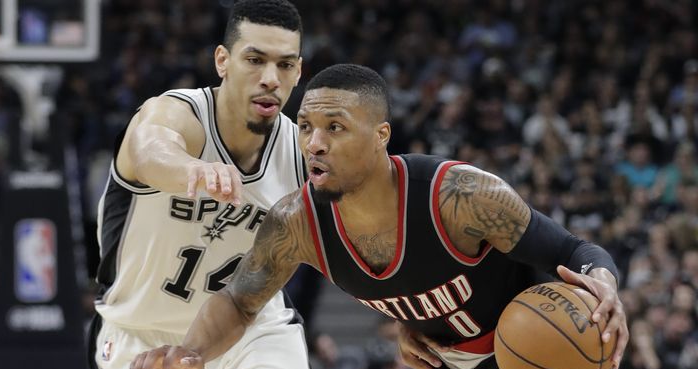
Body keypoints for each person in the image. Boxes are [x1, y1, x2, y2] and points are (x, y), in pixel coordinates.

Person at [130, 64, 628, 369]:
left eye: (335, 127)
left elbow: (574, 252)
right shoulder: (297, 222)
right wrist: (189, 353)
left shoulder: (459, 196)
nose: (314, 143)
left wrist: (603, 285)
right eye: (304, 127)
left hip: (542, 349)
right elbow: (239, 302)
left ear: (381, 135)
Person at [89, 1, 310, 368]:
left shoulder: (303, 151)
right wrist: (191, 168)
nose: (271, 77)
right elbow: (150, 150)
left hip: (252, 331)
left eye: (285, 64)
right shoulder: (173, 113)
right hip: (138, 332)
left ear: (298, 71)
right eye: (255, 60)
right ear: (222, 61)